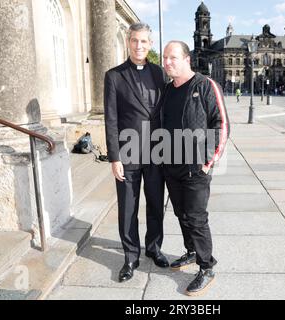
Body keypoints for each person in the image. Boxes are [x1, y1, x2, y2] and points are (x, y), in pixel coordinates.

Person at [161, 41, 230, 296]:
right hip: (172, 165)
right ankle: (191, 251)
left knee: (196, 217)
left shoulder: (205, 85)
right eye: (166, 58)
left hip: (196, 167)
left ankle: (206, 266)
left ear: (186, 59)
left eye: (173, 57)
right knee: (181, 213)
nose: (168, 62)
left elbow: (221, 123)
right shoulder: (168, 91)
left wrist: (208, 161)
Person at [104, 23, 169, 283]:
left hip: (156, 152)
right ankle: (131, 256)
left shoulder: (160, 74)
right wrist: (114, 157)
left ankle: (153, 248)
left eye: (144, 41)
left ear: (150, 45)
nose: (139, 46)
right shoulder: (114, 76)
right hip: (128, 153)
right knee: (128, 207)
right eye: (134, 41)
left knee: (155, 205)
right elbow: (110, 118)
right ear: (128, 42)